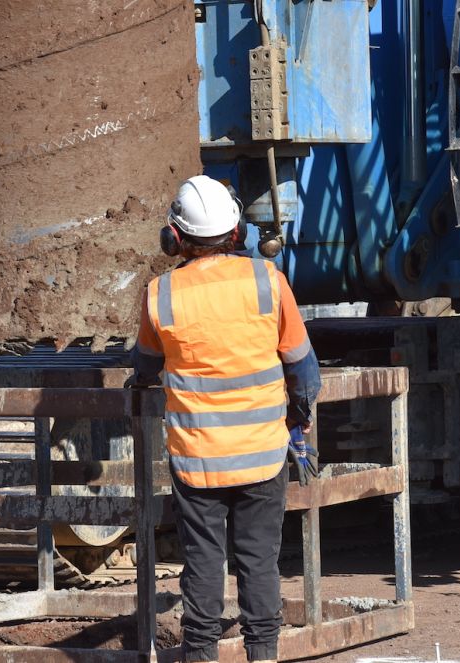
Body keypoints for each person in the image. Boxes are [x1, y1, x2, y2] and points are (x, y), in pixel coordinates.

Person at [130, 175, 321, 663]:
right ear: (238, 231)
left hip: (198, 461)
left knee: (202, 562)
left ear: (174, 238)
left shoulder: (160, 294)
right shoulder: (268, 280)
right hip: (262, 455)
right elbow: (302, 366)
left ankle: (201, 655)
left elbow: (146, 366)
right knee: (259, 560)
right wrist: (298, 416)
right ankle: (263, 654)